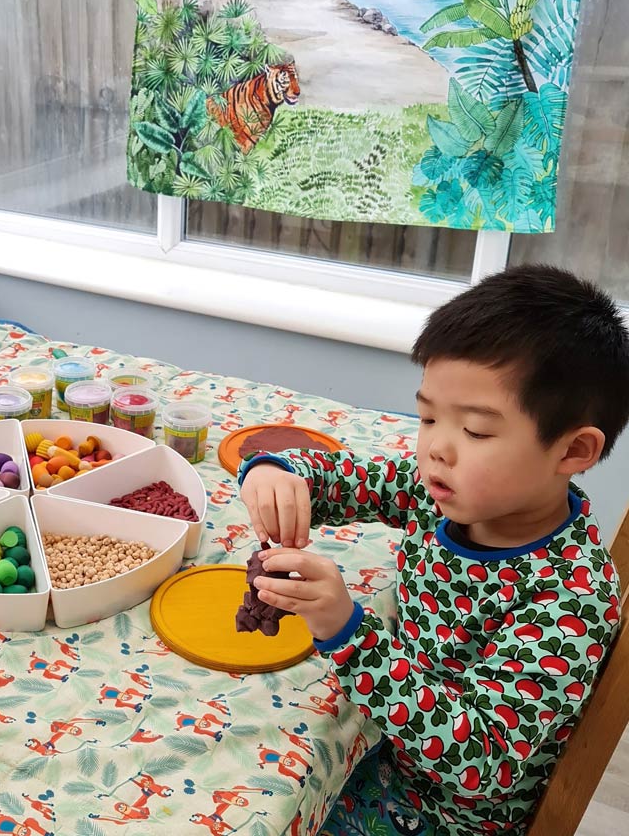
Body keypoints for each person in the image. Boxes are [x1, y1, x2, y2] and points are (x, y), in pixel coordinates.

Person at [238, 264, 629, 834]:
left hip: (447, 817)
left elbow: (481, 761)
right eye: (426, 416)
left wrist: (349, 631)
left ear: (573, 451)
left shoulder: (570, 599)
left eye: (475, 431)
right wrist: (276, 471)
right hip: (385, 749)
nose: (436, 449)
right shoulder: (443, 495)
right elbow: (350, 479)